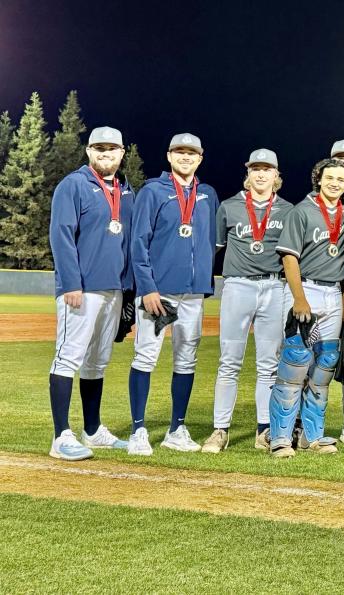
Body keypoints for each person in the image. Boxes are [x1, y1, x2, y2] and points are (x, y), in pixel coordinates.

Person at [127, 133, 219, 455]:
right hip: (159, 293)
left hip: (192, 295)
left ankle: (176, 429)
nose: (185, 157)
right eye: (179, 151)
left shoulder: (207, 195)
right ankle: (138, 431)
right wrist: (147, 288)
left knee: (186, 359)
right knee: (146, 356)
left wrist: (203, 282)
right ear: (168, 156)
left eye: (191, 153)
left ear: (200, 158)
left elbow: (210, 242)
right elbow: (138, 242)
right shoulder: (153, 191)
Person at [47, 126, 133, 460]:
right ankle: (60, 437)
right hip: (81, 290)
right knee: (68, 356)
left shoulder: (126, 190)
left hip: (113, 290)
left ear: (122, 153)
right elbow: (61, 234)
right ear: (88, 151)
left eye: (112, 148)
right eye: (99, 148)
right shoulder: (73, 185)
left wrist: (128, 291)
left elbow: (127, 241)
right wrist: (71, 283)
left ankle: (93, 430)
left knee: (97, 361)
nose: (106, 154)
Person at [201, 149, 292, 453]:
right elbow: (212, 249)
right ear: (248, 173)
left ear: (276, 175)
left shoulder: (288, 210)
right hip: (238, 285)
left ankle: (264, 430)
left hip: (273, 286)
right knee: (229, 362)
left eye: (267, 169)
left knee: (269, 364)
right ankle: (220, 430)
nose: (261, 174)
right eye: (256, 168)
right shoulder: (229, 206)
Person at [269, 158, 344, 457]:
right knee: (294, 363)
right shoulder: (301, 211)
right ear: (318, 179)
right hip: (305, 288)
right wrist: (299, 297)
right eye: (329, 177)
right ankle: (280, 437)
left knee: (324, 366)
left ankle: (311, 435)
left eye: (341, 179)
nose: (334, 183)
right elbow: (289, 257)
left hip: (333, 291)